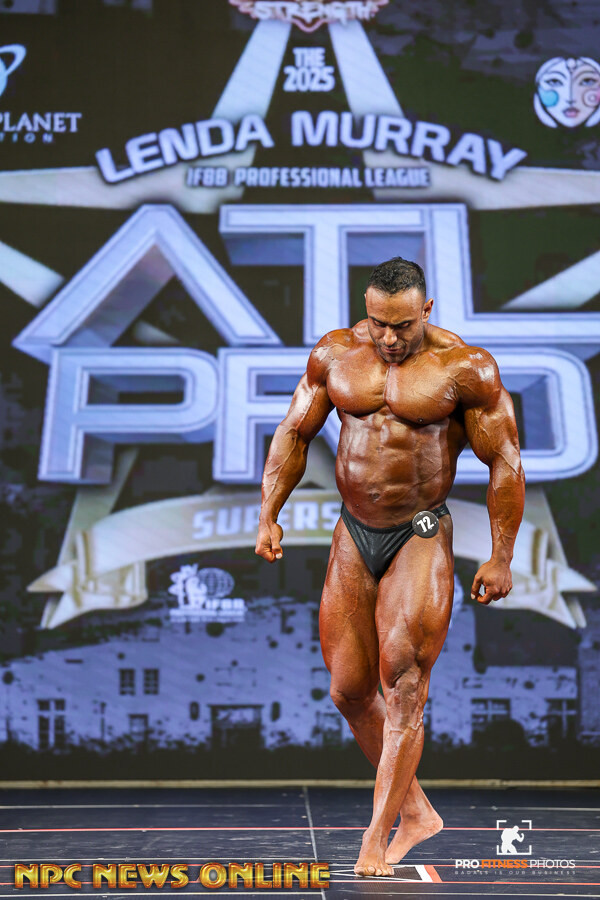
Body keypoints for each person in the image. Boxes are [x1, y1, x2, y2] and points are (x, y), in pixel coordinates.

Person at [255, 257, 525, 877]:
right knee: (349, 690)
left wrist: (501, 555)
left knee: (403, 683)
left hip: (420, 532)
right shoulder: (336, 354)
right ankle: (418, 813)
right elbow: (294, 433)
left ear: (425, 311)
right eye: (379, 323)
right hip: (353, 532)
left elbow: (505, 461)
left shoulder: (465, 368)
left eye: (402, 325)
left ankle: (377, 836)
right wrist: (268, 512)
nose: (390, 337)